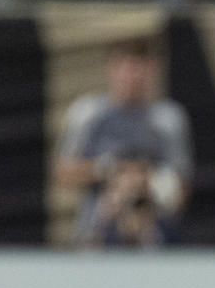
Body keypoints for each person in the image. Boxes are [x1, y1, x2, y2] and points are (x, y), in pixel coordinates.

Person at [55, 36, 191, 247]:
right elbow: (62, 173)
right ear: (112, 68)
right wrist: (111, 170)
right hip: (98, 226)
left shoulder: (168, 119)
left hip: (154, 230)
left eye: (141, 68)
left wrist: (145, 181)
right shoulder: (88, 113)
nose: (134, 77)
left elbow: (182, 188)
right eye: (127, 68)